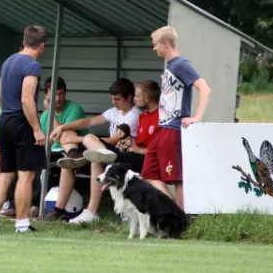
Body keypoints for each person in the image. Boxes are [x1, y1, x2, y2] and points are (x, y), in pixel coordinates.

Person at [0, 25, 47, 234]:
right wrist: (37, 129)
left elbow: (0, 97)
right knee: (26, 175)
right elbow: (27, 99)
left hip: (5, 120)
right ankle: (22, 224)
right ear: (42, 46)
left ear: (24, 41)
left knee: (5, 174)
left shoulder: (8, 62)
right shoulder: (31, 65)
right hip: (21, 121)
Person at [49, 78, 141, 224]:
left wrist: (80, 139)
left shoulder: (134, 115)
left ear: (129, 97)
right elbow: (89, 122)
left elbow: (113, 140)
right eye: (112, 98)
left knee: (90, 145)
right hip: (105, 153)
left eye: (117, 99)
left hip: (122, 156)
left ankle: (91, 212)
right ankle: (58, 211)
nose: (113, 102)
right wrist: (63, 128)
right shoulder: (114, 112)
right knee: (69, 160)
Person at [141, 26, 211, 210]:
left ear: (166, 43)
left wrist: (196, 116)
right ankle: (175, 213)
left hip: (172, 128)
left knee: (176, 179)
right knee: (149, 173)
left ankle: (180, 219)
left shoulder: (181, 64)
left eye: (155, 44)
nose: (154, 48)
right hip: (161, 127)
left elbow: (205, 88)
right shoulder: (170, 66)